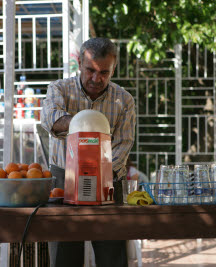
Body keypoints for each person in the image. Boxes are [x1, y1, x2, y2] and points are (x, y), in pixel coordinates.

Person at [41, 37, 136, 267]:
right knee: (65, 257)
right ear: (79, 64)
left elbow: (123, 144)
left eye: (104, 72)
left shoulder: (124, 100)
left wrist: (100, 173)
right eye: (90, 70)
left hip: (109, 181)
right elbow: (49, 119)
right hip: (63, 179)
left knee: (112, 256)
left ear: (113, 69)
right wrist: (83, 123)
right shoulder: (59, 89)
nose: (96, 78)